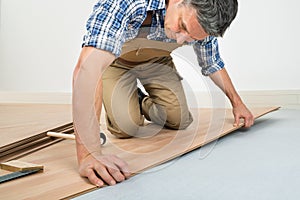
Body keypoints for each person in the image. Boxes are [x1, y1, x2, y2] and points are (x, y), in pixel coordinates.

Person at [72, 0, 254, 187]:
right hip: (116, 62)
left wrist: (237, 103)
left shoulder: (202, 19)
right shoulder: (127, 2)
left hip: (157, 63)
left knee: (179, 119)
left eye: (192, 38)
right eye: (182, 27)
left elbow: (212, 63)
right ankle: (122, 95)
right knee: (126, 127)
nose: (180, 40)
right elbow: (87, 70)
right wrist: (88, 153)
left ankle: (139, 99)